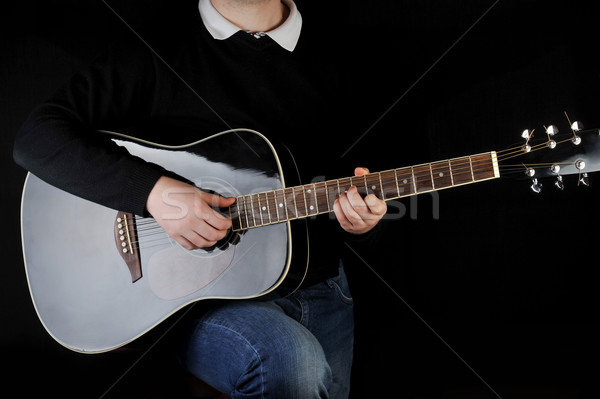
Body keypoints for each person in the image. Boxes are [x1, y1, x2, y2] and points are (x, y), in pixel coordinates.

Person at [14, 0, 387, 397]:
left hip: (321, 284)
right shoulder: (158, 47)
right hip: (204, 297)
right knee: (290, 359)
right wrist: (155, 192)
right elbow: (37, 137)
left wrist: (362, 223)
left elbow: (365, 179)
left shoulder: (342, 55)